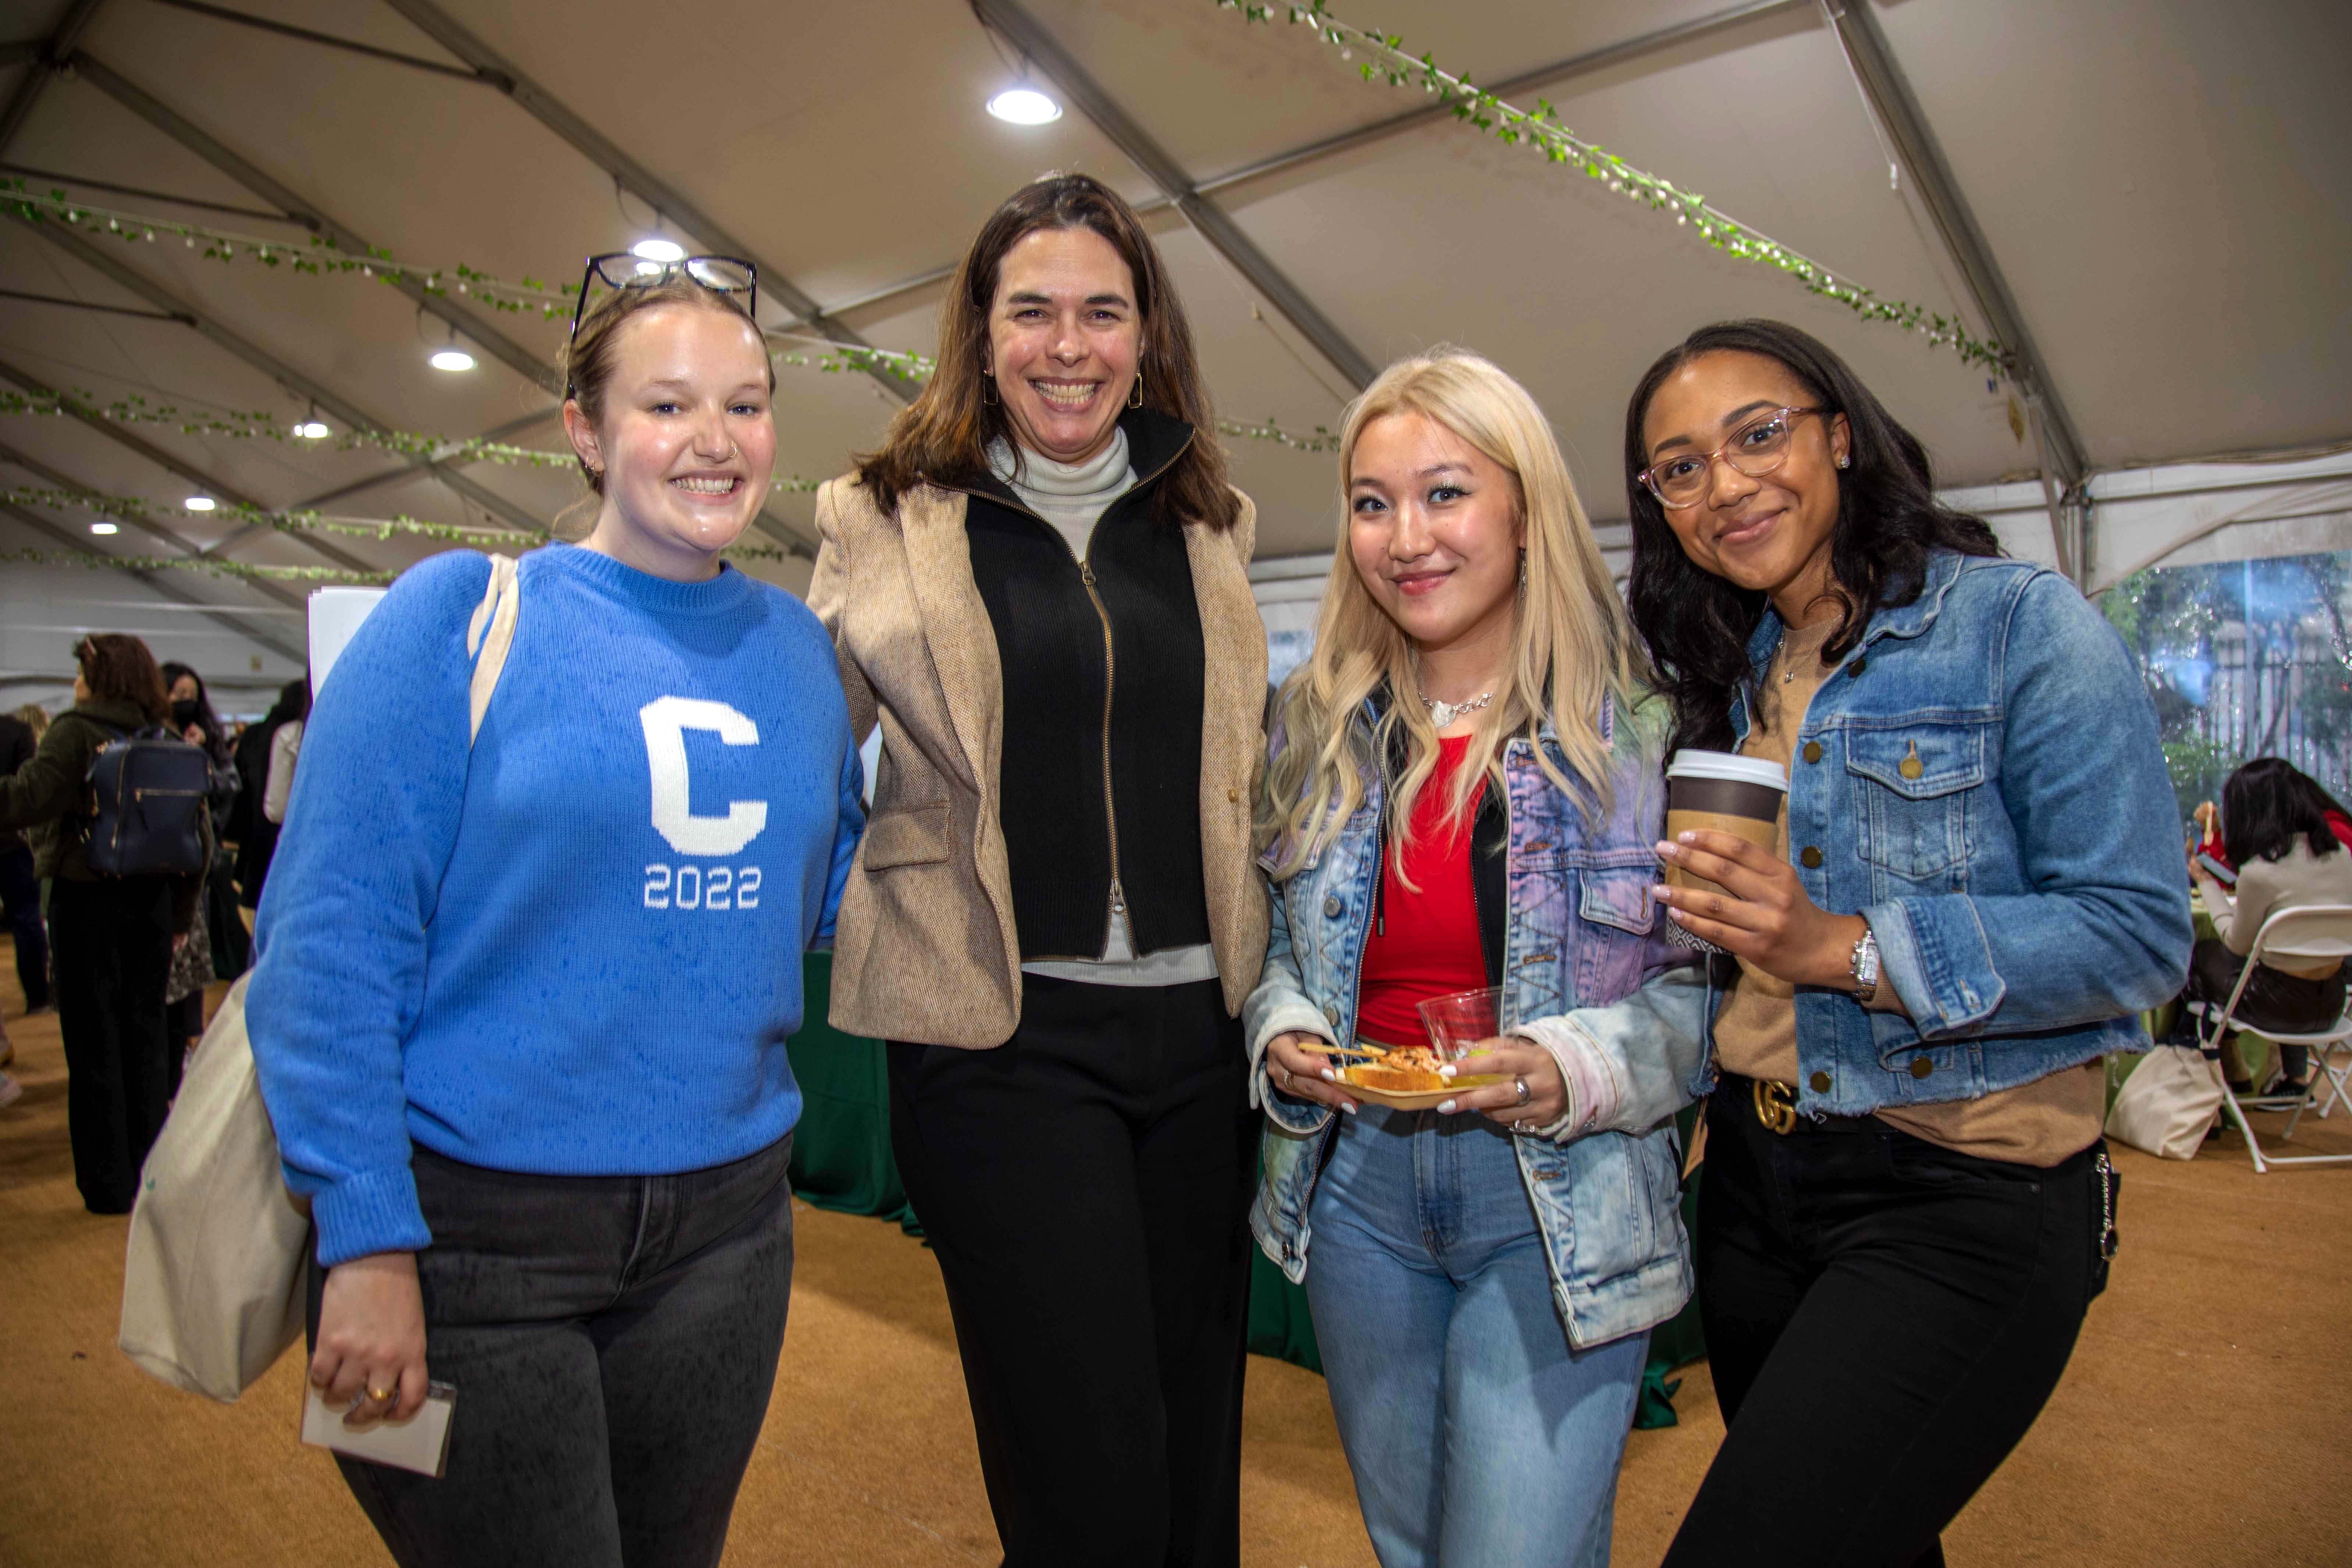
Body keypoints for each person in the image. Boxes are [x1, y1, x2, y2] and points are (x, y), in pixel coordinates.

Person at [248, 260, 863, 1567]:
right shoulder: (458, 616)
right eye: (667, 405)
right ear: (583, 431)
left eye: (746, 406)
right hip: (474, 1240)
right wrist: (364, 1237)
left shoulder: (800, 653)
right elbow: (329, 946)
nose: (715, 441)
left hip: (725, 1235)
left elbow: (816, 895)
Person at [1623, 320, 2191, 1568]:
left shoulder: (2017, 628)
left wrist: (1845, 949)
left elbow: (2140, 935)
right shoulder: (1733, 672)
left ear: (1836, 431)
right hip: (1755, 1186)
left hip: (1959, 1192)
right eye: (1678, 466)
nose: (1723, 485)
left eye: (1755, 434)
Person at [809, 172, 1267, 1567]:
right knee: (1090, 1467)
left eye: (1102, 313)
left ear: (1145, 337)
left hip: (1203, 1037)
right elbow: (795, 738)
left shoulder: (1210, 521)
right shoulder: (882, 514)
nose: (1068, 345)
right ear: (981, 331)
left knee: (1195, 1453)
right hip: (997, 1036)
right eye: (1033, 312)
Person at [1248, 349, 1708, 1567]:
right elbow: (1273, 945)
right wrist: (1282, 1029)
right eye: (1370, 501)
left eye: (1445, 492)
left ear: (1523, 506)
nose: (1406, 537)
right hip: (1356, 1197)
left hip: (1557, 1198)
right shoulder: (1314, 725)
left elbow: (1718, 991)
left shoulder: (1646, 726)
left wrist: (1575, 1063)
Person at [0, 635, 209, 1212]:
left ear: (98, 676)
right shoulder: (167, 740)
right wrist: (182, 914)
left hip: (86, 900)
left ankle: (107, 1183)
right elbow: (204, 842)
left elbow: (27, 799)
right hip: (154, 907)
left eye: (81, 672)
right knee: (146, 1039)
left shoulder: (77, 731)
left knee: (93, 1044)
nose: (75, 683)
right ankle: (150, 1173)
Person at [2180, 757, 2352, 1097]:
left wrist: (2205, 882)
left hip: (2276, 1009)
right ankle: (2234, 1074)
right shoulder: (2342, 855)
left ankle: (2205, 1086)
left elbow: (2235, 946)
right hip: (2332, 1006)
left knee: (2198, 957)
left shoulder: (2260, 873)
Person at [159, 662, 242, 1075]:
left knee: (192, 965)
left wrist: (203, 757)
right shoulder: (153, 738)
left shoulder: (209, 741)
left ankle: (188, 1043)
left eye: (191, 692)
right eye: (177, 693)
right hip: (168, 862)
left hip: (201, 862)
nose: (185, 701)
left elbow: (230, 787)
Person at [230, 678, 306, 918]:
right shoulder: (294, 735)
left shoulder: (259, 734)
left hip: (258, 842)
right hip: (294, 851)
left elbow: (272, 806)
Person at [0, 703, 49, 1016]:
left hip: (12, 842)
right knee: (27, 918)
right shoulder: (17, 731)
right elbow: (30, 791)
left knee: (27, 918)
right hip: (13, 842)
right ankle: (37, 998)